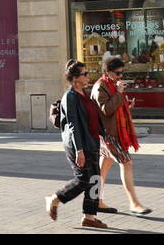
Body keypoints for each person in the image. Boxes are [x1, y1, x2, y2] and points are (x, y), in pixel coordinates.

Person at [44, 60, 109, 229]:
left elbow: (92, 119)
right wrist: (79, 150)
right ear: (75, 78)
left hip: (92, 142)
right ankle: (55, 198)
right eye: (85, 74)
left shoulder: (84, 93)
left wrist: (101, 136)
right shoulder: (70, 96)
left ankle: (90, 217)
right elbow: (73, 125)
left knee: (95, 179)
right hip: (77, 145)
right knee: (83, 179)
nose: (88, 76)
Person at [91, 55, 151, 215]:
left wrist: (126, 104)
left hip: (113, 131)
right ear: (108, 72)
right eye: (118, 73)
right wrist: (118, 93)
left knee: (102, 168)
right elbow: (106, 109)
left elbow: (115, 107)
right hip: (109, 134)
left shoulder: (110, 85)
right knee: (127, 163)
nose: (120, 76)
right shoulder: (100, 87)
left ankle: (95, 200)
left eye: (122, 73)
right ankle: (134, 203)